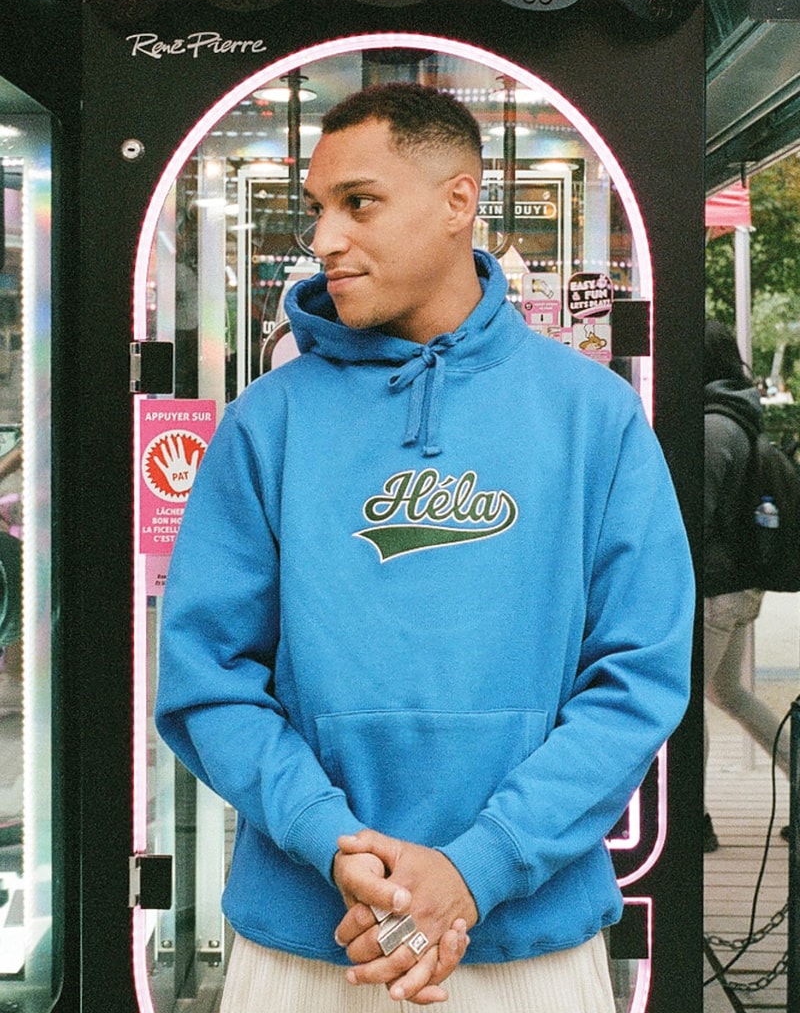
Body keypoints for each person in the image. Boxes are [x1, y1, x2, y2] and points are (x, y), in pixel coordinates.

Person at [155, 82, 694, 1011]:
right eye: (317, 209)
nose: (325, 238)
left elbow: (639, 677)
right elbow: (207, 677)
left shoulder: (592, 416)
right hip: (313, 938)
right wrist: (330, 839)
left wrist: (480, 865)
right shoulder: (266, 424)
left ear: (458, 202)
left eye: (358, 203)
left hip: (526, 937)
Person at [703, 319, 790, 852]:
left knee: (687, 707)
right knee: (728, 692)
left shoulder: (713, 426)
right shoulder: (739, 412)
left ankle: (694, 819)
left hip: (717, 588)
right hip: (739, 586)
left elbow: (697, 514)